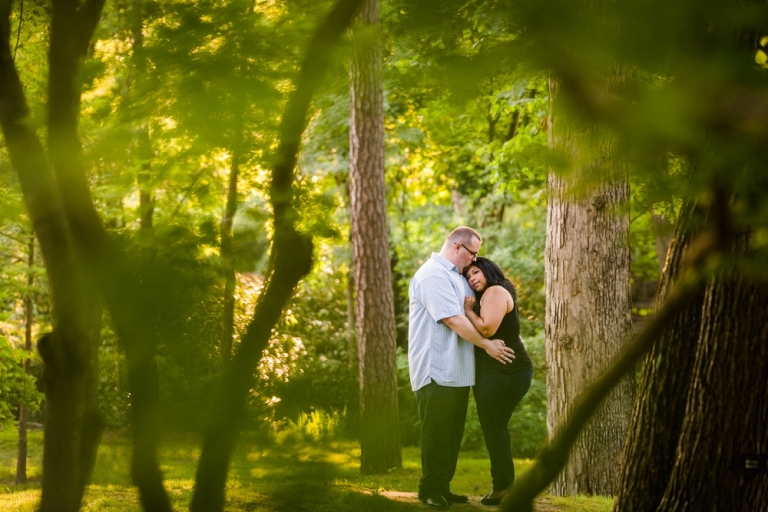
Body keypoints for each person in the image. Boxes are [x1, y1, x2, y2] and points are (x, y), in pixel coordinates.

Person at [408, 227, 516, 511]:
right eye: (473, 253)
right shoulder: (432, 274)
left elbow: (478, 312)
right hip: (435, 368)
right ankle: (430, 490)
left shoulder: (458, 278)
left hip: (458, 371)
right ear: (458, 247)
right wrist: (486, 345)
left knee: (452, 434)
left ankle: (443, 486)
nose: (474, 259)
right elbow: (454, 320)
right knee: (435, 433)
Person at [463, 257, 533, 506]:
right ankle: (504, 485)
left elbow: (487, 330)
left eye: (475, 272)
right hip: (501, 372)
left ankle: (503, 487)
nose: (472, 278)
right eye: (468, 276)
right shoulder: (494, 293)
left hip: (506, 372)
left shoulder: (494, 291)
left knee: (493, 428)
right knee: (495, 428)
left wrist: (469, 311)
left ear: (488, 271)